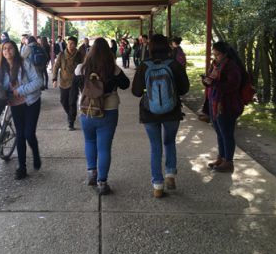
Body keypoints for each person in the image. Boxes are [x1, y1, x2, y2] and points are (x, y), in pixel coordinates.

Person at [132, 34, 189, 198]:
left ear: (150, 47)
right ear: (167, 46)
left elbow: (136, 92)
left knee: (155, 147)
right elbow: (185, 88)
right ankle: (170, 174)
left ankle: (158, 185)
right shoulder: (174, 64)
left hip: (150, 112)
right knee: (170, 142)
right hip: (172, 111)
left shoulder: (144, 65)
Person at [72, 38, 130, 195]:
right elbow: (126, 84)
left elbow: (75, 86)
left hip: (86, 111)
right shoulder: (113, 69)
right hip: (108, 110)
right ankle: (102, 183)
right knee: (104, 148)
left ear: (90, 51)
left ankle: (92, 173)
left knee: (89, 141)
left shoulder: (80, 68)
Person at [0, 40, 43, 179]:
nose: (7, 51)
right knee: (20, 135)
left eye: (9, 48)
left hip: (31, 102)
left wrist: (21, 90)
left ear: (15, 50)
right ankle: (22, 167)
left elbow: (38, 81)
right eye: (4, 49)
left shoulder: (24, 64)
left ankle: (35, 153)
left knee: (29, 134)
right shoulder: (2, 68)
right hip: (15, 105)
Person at [203, 41, 246, 173]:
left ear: (225, 53)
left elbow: (232, 85)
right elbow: (211, 80)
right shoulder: (216, 64)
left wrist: (214, 82)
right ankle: (221, 158)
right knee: (219, 132)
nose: (215, 57)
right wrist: (206, 81)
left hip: (227, 104)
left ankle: (229, 161)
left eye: (218, 55)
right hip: (214, 101)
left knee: (226, 133)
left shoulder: (231, 66)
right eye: (214, 55)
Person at [52, 36, 83, 131]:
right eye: (68, 43)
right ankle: (71, 114)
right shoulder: (62, 54)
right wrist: (54, 79)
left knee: (72, 102)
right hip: (63, 82)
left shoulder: (79, 55)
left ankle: (71, 122)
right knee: (63, 101)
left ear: (75, 44)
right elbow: (56, 67)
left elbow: (84, 67)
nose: (70, 45)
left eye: (72, 43)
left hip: (74, 83)